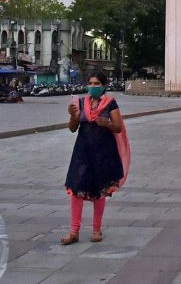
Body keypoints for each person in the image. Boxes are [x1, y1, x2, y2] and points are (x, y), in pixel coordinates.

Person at [62, 72, 130, 245]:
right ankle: (74, 231)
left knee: (99, 191)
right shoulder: (81, 103)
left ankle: (96, 230)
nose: (93, 86)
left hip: (103, 152)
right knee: (76, 189)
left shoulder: (110, 103)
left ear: (103, 86)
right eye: (90, 83)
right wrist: (72, 116)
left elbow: (118, 127)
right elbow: (72, 128)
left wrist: (106, 123)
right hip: (83, 152)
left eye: (97, 83)